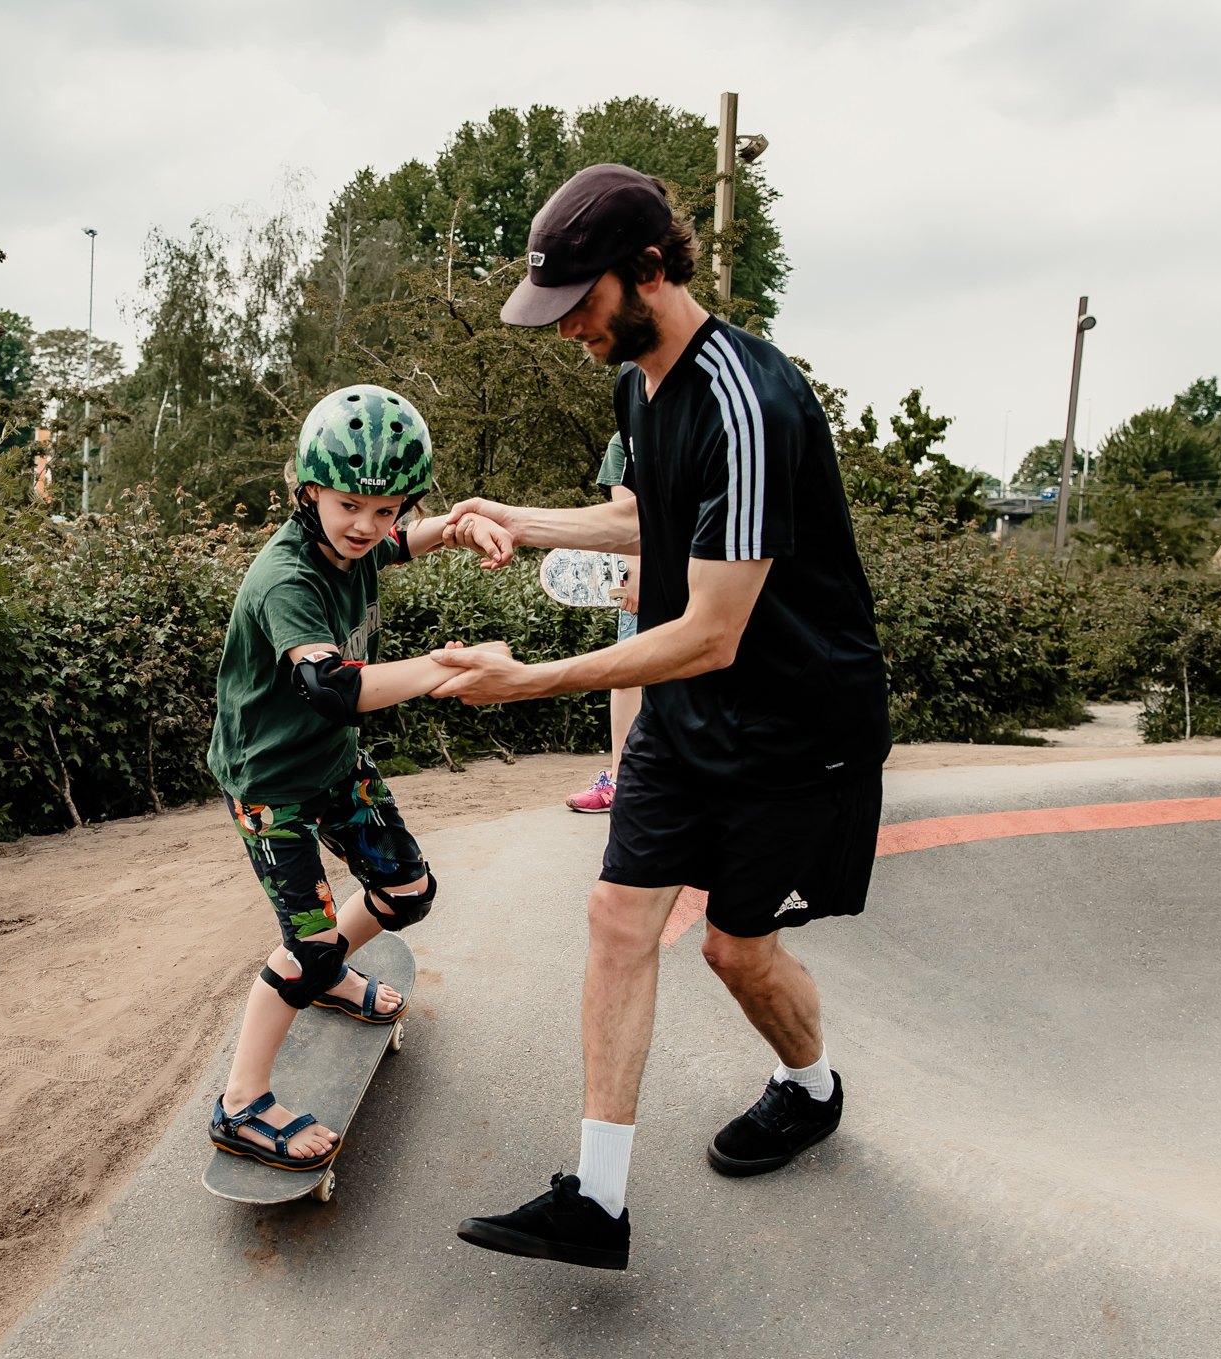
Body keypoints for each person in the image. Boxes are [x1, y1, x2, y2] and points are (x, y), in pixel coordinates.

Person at [434, 165, 891, 1270]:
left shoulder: (750, 398)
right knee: (615, 918)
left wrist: (529, 680)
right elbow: (646, 523)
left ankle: (808, 1088)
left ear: (646, 269)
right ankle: (594, 1201)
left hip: (794, 726)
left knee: (735, 952)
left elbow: (710, 630)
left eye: (578, 304)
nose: (566, 332)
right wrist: (521, 522)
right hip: (692, 715)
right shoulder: (636, 384)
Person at [205, 384, 508, 1170]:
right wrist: (445, 667)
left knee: (407, 891)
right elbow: (331, 686)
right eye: (350, 506)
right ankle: (240, 1103)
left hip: (333, 763)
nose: (368, 528)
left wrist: (459, 525)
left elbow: (413, 539)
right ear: (307, 491)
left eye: (387, 509)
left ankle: (331, 969)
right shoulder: (287, 578)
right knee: (304, 951)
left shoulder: (362, 539)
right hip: (272, 787)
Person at [564, 428, 644, 814]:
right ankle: (620, 781)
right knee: (628, 671)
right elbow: (624, 515)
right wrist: (636, 567)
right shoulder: (623, 441)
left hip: (711, 568)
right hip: (649, 570)